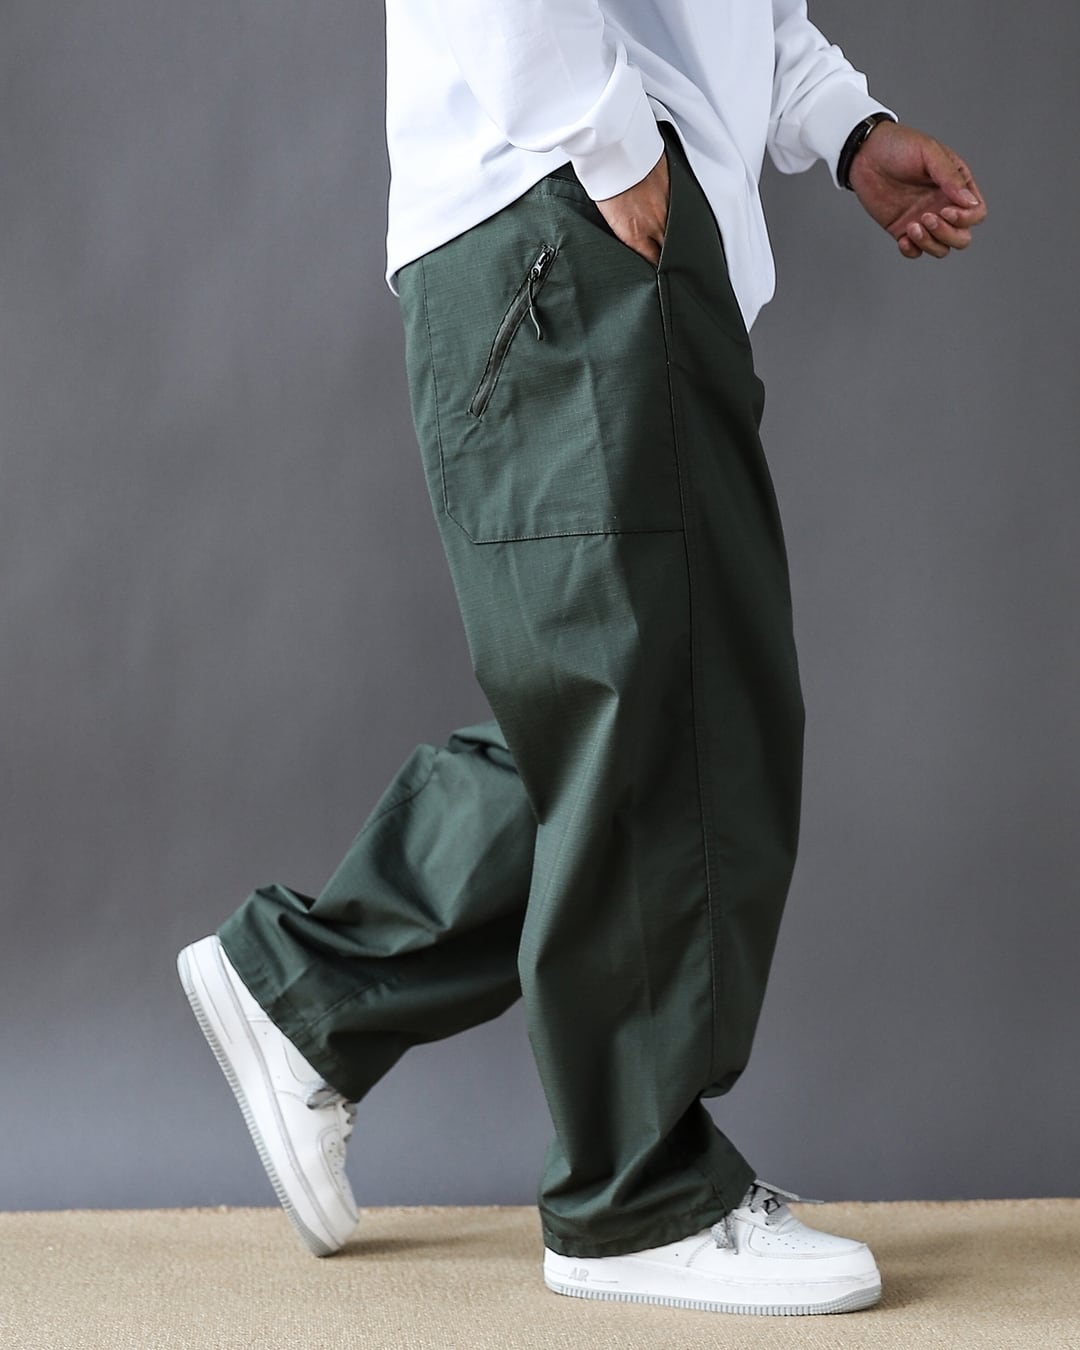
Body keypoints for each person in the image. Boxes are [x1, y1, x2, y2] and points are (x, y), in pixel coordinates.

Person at [177, 0, 985, 1318]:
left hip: (577, 212)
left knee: (646, 699)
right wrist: (607, 143)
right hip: (568, 204)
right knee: (665, 711)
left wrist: (847, 129)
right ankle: (638, 1197)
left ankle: (310, 992)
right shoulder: (595, 154)